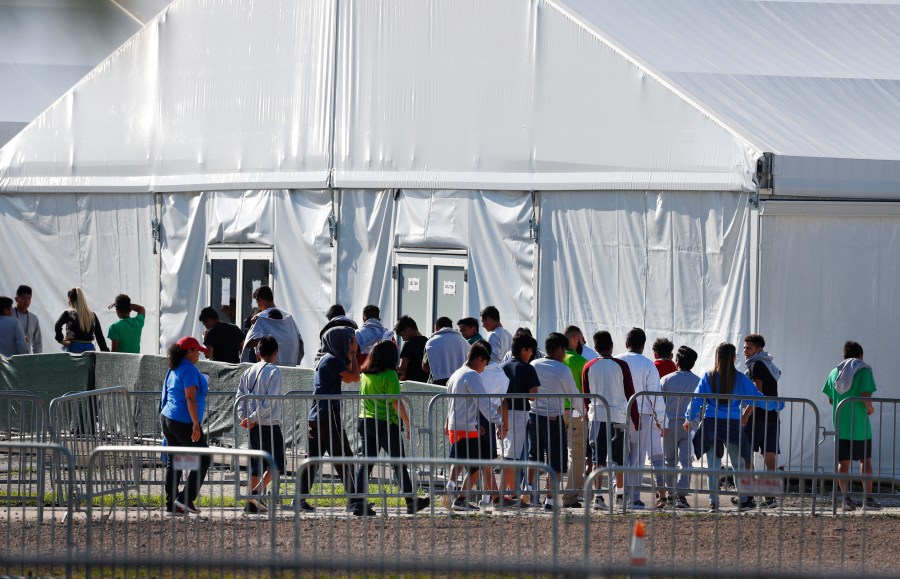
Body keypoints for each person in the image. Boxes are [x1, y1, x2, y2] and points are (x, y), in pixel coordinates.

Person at [684, 342, 772, 513]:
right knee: (738, 464)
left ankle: (713, 502)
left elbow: (696, 399)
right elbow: (755, 396)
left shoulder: (708, 376)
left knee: (713, 467)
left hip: (711, 424)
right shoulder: (739, 377)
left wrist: (689, 418)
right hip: (733, 424)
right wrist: (776, 405)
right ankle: (743, 499)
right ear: (733, 358)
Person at [353, 340, 430, 516]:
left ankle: (358, 503)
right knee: (399, 464)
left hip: (365, 421)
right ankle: (411, 502)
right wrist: (409, 423)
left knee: (366, 463)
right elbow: (395, 401)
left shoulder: (365, 374)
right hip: (386, 423)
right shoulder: (390, 375)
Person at [296, 326, 360, 513]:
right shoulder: (331, 361)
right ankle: (355, 499)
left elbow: (348, 378)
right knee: (344, 456)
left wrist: (351, 354)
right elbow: (355, 377)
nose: (351, 343)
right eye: (348, 340)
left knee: (313, 460)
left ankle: (298, 499)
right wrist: (354, 353)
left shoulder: (326, 359)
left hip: (318, 415)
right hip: (327, 415)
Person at [444, 342, 507, 511]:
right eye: (484, 365)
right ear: (479, 359)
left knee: (474, 462)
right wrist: (498, 420)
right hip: (466, 428)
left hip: (457, 426)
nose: (483, 369)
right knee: (480, 463)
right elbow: (483, 403)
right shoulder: (471, 376)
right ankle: (461, 499)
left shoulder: (456, 374)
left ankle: (459, 491)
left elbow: (456, 404)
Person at [582, 331, 639, 510]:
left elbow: (586, 396)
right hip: (618, 417)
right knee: (619, 460)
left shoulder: (588, 366)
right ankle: (620, 495)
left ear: (596, 347)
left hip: (597, 416)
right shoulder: (621, 366)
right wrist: (636, 419)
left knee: (598, 458)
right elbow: (631, 393)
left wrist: (588, 412)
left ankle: (598, 497)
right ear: (611, 345)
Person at [823, 341, 881, 512]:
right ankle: (867, 499)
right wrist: (870, 409)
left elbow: (830, 399)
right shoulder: (863, 370)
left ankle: (846, 499)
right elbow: (865, 397)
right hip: (860, 425)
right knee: (865, 461)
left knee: (844, 463)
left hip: (841, 424)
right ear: (860, 356)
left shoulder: (835, 372)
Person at [159, 336, 211, 516]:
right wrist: (196, 424)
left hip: (168, 417)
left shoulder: (174, 367)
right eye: (197, 351)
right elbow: (190, 398)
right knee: (204, 457)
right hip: (183, 420)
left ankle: (172, 504)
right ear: (188, 351)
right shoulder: (188, 369)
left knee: (176, 461)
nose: (199, 355)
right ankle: (184, 499)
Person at [529, 332, 581, 509]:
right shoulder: (562, 369)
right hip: (554, 419)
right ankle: (550, 499)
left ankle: (531, 495)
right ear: (559, 349)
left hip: (534, 416)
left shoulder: (534, 364)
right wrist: (584, 412)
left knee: (534, 458)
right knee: (556, 461)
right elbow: (573, 394)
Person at [236, 335, 284, 514]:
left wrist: (245, 416)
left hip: (253, 424)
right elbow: (269, 401)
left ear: (258, 353)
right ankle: (255, 494)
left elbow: (239, 396)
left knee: (257, 464)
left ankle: (251, 502)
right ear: (275, 353)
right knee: (277, 465)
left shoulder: (248, 371)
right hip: (269, 423)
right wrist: (253, 417)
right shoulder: (274, 371)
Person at [618, 328, 664, 510]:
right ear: (643, 346)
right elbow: (655, 394)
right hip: (642, 414)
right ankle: (635, 497)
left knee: (620, 456)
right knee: (637, 456)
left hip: (619, 413)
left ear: (626, 343)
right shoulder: (648, 365)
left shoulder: (617, 360)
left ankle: (619, 493)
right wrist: (661, 419)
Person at [499, 333, 541, 507]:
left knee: (507, 455)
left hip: (501, 412)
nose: (531, 354)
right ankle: (510, 494)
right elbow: (533, 396)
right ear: (524, 350)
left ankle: (506, 494)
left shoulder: (502, 366)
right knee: (511, 457)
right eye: (530, 351)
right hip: (519, 413)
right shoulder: (527, 368)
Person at [742, 333, 783, 508]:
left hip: (757, 417)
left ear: (759, 349)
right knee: (770, 458)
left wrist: (746, 413)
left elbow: (757, 394)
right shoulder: (768, 364)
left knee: (746, 456)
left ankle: (748, 496)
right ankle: (770, 497)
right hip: (772, 417)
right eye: (744, 347)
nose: (745, 351)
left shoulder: (756, 365)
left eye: (749, 348)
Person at [660, 346, 700, 509]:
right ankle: (681, 496)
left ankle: (670, 494)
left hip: (669, 424)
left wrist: (660, 423)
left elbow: (658, 403)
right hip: (688, 425)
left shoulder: (666, 379)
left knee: (669, 461)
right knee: (686, 461)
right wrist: (695, 422)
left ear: (676, 361)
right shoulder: (697, 380)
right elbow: (701, 405)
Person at [561, 325, 589, 508]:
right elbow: (587, 390)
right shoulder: (581, 361)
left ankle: (546, 496)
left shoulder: (556, 360)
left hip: (553, 411)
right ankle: (571, 496)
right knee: (577, 455)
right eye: (581, 340)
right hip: (576, 412)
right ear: (575, 339)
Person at [243, 286, 303, 366]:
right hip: (290, 365)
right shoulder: (288, 317)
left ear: (260, 300)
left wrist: (268, 340)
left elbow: (249, 343)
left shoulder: (260, 317)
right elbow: (297, 339)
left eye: (257, 303)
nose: (258, 306)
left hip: (269, 366)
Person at [54, 288, 109, 353]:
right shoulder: (92, 315)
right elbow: (99, 336)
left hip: (74, 346)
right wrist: (105, 351)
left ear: (70, 300)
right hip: (89, 348)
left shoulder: (69, 313)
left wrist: (60, 340)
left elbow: (57, 325)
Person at [422, 317, 469, 385]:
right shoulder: (464, 342)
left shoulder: (431, 342)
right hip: (459, 381)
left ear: (437, 327)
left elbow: (425, 367)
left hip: (438, 384)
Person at [393, 316, 429, 383]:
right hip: (426, 383)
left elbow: (402, 369)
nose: (403, 339)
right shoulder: (428, 342)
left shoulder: (409, 344)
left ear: (408, 329)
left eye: (402, 335)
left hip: (412, 384)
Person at [13, 285, 42, 353]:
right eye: (23, 298)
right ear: (16, 299)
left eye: (29, 298)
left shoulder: (33, 318)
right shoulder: (8, 315)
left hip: (26, 358)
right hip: (9, 358)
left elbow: (37, 342)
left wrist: (37, 360)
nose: (26, 301)